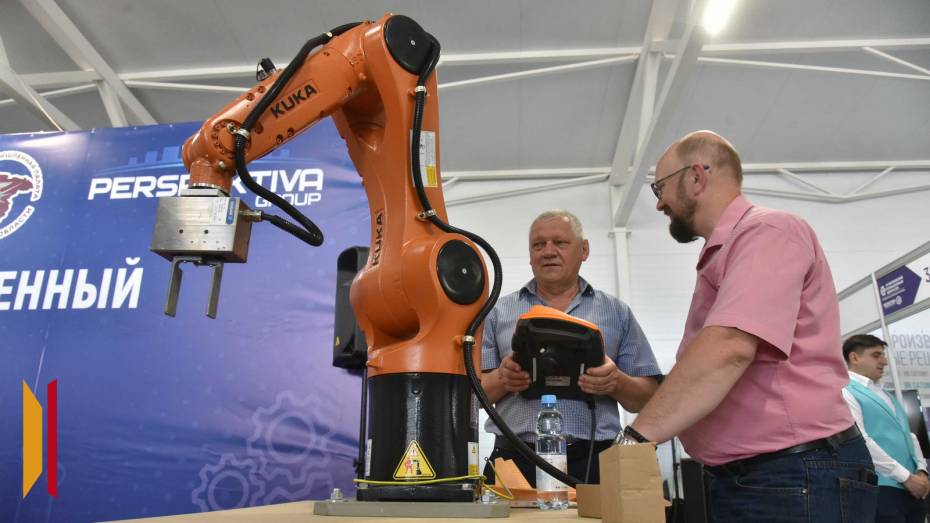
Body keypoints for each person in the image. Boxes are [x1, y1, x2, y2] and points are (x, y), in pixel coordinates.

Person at [616, 131, 877, 522]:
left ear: (696, 177)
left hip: (792, 475)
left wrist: (636, 438)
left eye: (660, 187)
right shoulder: (727, 251)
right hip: (764, 478)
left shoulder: (767, 232)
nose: (658, 203)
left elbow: (730, 347)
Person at [480, 209, 660, 486]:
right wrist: (502, 379)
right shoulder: (497, 313)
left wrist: (616, 381)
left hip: (594, 461)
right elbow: (471, 397)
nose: (548, 252)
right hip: (513, 461)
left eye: (560, 243)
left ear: (584, 250)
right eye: (538, 245)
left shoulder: (617, 313)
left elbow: (647, 399)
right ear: (530, 255)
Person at [843, 334, 929, 523]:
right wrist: (906, 477)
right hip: (881, 488)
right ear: (854, 357)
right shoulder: (845, 391)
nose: (884, 361)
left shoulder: (886, 395)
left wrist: (922, 470)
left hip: (913, 490)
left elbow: (909, 436)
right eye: (876, 355)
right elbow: (861, 440)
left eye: (883, 355)